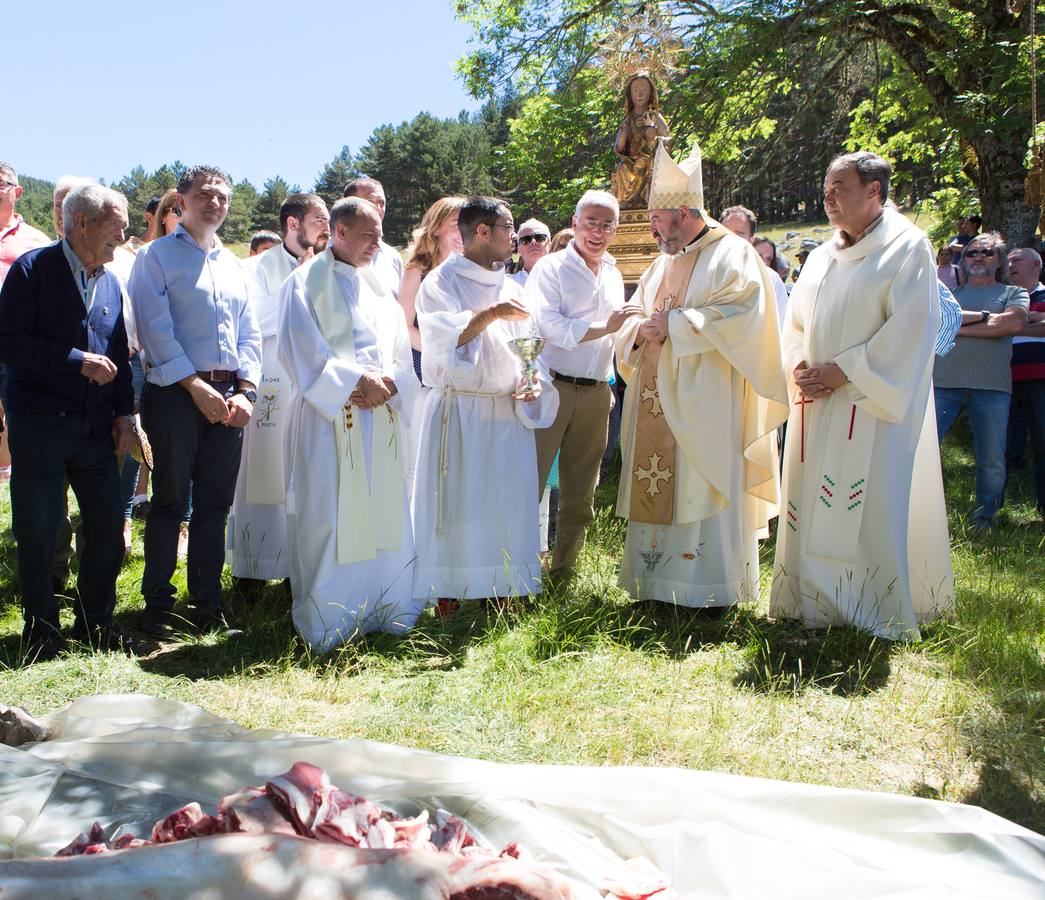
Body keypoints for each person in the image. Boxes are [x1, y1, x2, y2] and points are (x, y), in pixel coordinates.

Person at [770, 151, 953, 639]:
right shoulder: (823, 255)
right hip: (817, 403)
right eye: (826, 189)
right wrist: (800, 366)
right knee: (811, 499)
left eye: (840, 189)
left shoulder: (907, 248)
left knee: (866, 504)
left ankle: (869, 606)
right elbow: (795, 324)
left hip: (868, 404)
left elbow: (914, 327)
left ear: (874, 192)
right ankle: (809, 601)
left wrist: (845, 372)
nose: (828, 198)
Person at [613, 142, 788, 612]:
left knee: (702, 483)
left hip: (707, 402)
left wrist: (670, 326)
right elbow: (633, 313)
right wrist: (635, 331)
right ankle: (654, 586)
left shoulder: (732, 255)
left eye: (655, 218)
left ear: (685, 212)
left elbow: (743, 314)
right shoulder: (663, 260)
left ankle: (709, 592)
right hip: (656, 399)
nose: (649, 227)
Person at [0, 184, 136, 660]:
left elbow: (118, 354)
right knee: (37, 531)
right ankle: (41, 631)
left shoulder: (112, 284)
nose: (124, 235)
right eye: (116, 225)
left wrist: (124, 415)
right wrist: (75, 359)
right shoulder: (31, 270)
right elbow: (10, 343)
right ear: (82, 224)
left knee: (104, 525)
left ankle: (96, 622)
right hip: (39, 423)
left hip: (95, 429)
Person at [277, 197, 420, 649]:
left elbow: (399, 349)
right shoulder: (304, 284)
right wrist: (355, 381)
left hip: (380, 421)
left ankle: (387, 607)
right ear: (339, 233)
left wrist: (391, 383)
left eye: (379, 234)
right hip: (330, 422)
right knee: (332, 517)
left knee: (382, 514)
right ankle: (329, 619)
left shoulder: (379, 287)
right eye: (368, 235)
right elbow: (300, 350)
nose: (378, 244)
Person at [129, 165, 261, 637]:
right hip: (175, 394)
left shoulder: (235, 266)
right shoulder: (156, 258)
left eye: (224, 196)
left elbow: (251, 332)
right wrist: (194, 386)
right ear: (181, 201)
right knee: (168, 501)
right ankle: (158, 608)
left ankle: (207, 604)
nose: (216, 203)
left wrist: (247, 391)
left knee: (215, 505)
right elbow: (154, 330)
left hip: (230, 397)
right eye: (206, 194)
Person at [412, 196, 558, 613]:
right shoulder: (441, 282)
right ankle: (450, 593)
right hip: (461, 412)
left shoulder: (513, 286)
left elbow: (532, 351)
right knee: (459, 505)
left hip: (506, 412)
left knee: (505, 506)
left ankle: (502, 589)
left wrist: (534, 382)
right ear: (481, 232)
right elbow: (442, 340)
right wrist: (490, 313)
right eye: (509, 228)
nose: (515, 236)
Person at [528, 190, 640, 576]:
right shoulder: (551, 268)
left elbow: (617, 334)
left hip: (595, 392)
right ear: (574, 224)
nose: (598, 231)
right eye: (591, 222)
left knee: (581, 492)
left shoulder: (612, 271)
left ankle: (564, 574)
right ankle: (516, 574)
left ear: (616, 230)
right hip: (553, 388)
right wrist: (605, 327)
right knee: (532, 484)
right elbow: (549, 328)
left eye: (608, 224)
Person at [227, 193, 329, 588]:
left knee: (302, 473)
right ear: (292, 224)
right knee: (262, 473)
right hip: (270, 378)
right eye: (319, 218)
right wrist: (296, 281)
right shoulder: (255, 267)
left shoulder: (328, 269)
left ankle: (297, 570)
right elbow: (253, 319)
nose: (325, 225)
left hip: (308, 383)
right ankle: (253, 567)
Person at [934, 232, 1029, 530]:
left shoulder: (1013, 293)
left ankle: (984, 519)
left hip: (993, 388)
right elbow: (930, 322)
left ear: (999, 259)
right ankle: (915, 512)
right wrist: (989, 321)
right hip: (942, 384)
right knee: (921, 451)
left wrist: (955, 326)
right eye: (972, 253)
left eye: (986, 252)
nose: (977, 257)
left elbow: (1012, 323)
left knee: (991, 459)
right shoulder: (951, 293)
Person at [397, 196, 465, 494]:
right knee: (420, 462)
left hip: (461, 378)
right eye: (455, 224)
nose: (462, 231)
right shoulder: (417, 270)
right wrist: (438, 348)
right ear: (436, 229)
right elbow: (402, 324)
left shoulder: (469, 270)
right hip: (422, 376)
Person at [1005, 247, 1045, 518]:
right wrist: (1034, 319)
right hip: (1003, 380)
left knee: (1043, 443)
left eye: (1017, 260)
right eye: (1008, 262)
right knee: (1002, 446)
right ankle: (992, 509)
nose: (1011, 265)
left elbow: (1001, 326)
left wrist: (1012, 324)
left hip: (1040, 379)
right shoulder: (1003, 297)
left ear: (1036, 266)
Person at [611, 72, 672, 209]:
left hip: (650, 160)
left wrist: (652, 138)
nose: (640, 94)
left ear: (650, 93)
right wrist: (624, 132)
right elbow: (618, 148)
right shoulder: (628, 120)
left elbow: (667, 139)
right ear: (630, 95)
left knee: (647, 167)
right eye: (636, 91)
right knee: (622, 168)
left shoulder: (655, 117)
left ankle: (648, 204)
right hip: (631, 162)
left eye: (644, 90)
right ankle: (625, 204)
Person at [721, 206, 789, 327]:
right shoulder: (702, 271)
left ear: (751, 240)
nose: (729, 239)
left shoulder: (770, 278)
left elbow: (783, 325)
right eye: (725, 233)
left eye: (739, 235)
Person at [343, 177, 403, 295]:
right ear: (347, 205)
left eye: (382, 202)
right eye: (370, 201)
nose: (378, 208)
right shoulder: (324, 253)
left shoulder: (393, 258)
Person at [509, 219, 551, 286]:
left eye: (540, 238)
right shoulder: (507, 283)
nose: (533, 242)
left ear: (549, 245)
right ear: (519, 249)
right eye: (526, 240)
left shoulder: (562, 280)